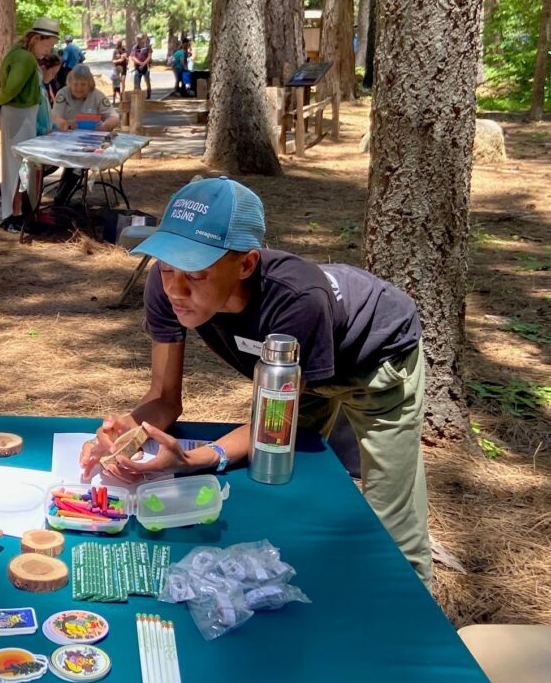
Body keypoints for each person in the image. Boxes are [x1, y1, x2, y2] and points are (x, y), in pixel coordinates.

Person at [78, 177, 433, 586]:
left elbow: (273, 423)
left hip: (373, 365)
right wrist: (131, 432)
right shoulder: (166, 288)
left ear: (246, 264)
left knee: (392, 523)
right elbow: (163, 397)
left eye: (196, 273)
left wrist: (194, 460)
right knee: (280, 476)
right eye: (167, 266)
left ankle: (414, 612)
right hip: (289, 377)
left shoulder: (297, 300)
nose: (175, 289)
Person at [0, 17, 59, 232]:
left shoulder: (23, 55)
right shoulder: (24, 58)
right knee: (17, 166)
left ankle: (19, 212)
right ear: (36, 38)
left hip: (23, 116)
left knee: (21, 166)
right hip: (19, 116)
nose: (47, 51)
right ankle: (14, 214)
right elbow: (12, 88)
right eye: (47, 45)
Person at [50, 64, 120, 207]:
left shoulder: (97, 95)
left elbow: (114, 116)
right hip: (64, 141)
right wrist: (66, 123)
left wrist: (105, 126)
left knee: (78, 164)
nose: (79, 88)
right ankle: (59, 199)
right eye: (75, 83)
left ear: (90, 84)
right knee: (46, 165)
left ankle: (60, 200)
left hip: (88, 143)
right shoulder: (63, 94)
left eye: (83, 84)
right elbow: (55, 117)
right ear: (69, 83)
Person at [130, 32, 153, 100]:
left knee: (147, 81)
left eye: (140, 39)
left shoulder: (147, 47)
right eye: (137, 39)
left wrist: (144, 64)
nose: (138, 40)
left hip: (145, 67)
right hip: (137, 68)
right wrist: (140, 63)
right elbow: (133, 57)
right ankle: (138, 96)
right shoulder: (135, 47)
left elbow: (149, 56)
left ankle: (148, 95)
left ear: (143, 39)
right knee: (136, 82)